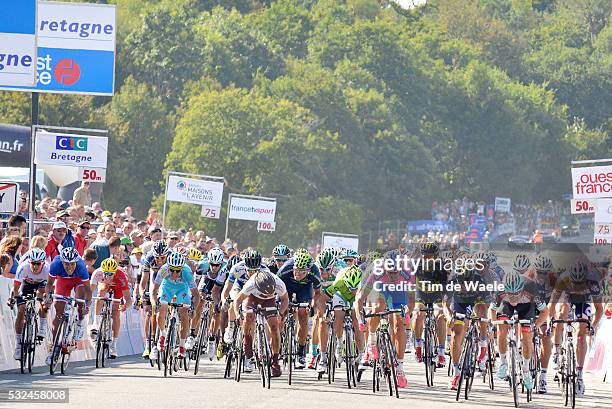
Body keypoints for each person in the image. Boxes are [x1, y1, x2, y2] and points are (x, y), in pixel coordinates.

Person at [233, 270, 288, 378]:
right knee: (248, 317)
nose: (267, 294)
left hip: (270, 301)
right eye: (265, 293)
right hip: (252, 298)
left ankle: (275, 361)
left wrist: (281, 313)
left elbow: (285, 299)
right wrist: (237, 315)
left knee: (274, 326)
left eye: (271, 292)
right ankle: (247, 343)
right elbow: (237, 301)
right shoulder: (251, 284)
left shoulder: (279, 283)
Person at [44, 247, 92, 365]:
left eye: (72, 264)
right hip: (63, 282)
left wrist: (87, 305)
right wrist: (48, 296)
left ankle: (80, 322)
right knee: (58, 312)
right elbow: (49, 284)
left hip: (78, 281)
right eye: (66, 264)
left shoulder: (81, 267)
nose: (69, 267)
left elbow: (88, 290)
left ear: (76, 262)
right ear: (62, 262)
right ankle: (55, 348)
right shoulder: (56, 264)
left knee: (80, 300)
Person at [277, 251, 321, 368]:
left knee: (303, 315)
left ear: (308, 270)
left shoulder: (315, 272)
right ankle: (279, 343)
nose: (297, 274)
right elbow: (275, 288)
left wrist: (312, 305)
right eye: (296, 270)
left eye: (302, 272)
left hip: (304, 289)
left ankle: (301, 353)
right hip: (286, 287)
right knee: (281, 313)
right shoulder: (286, 268)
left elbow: (317, 293)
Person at [150, 251, 199, 359]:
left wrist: (193, 308)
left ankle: (182, 345)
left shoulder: (187, 272)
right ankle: (162, 334)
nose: (174, 274)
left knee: (184, 313)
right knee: (161, 309)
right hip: (167, 287)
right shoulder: (163, 270)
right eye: (171, 270)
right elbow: (153, 291)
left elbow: (196, 295)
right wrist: (154, 303)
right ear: (168, 268)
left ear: (182, 268)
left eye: (177, 271)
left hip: (182, 288)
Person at [9, 248, 49, 360]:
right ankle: (18, 345)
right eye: (33, 263)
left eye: (38, 264)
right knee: (21, 310)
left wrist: (47, 300)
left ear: (43, 263)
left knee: (43, 298)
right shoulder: (23, 267)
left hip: (41, 285)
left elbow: (50, 288)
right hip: (26, 285)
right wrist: (13, 298)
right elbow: (16, 288)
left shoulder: (47, 269)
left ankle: (42, 327)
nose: (35, 266)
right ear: (29, 262)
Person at [90, 258, 133, 358]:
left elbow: (128, 299)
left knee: (115, 313)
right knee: (101, 291)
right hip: (104, 286)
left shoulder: (121, 276)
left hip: (118, 288)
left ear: (115, 272)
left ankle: (113, 345)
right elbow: (90, 291)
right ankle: (96, 323)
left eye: (111, 274)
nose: (108, 276)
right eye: (106, 273)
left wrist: (125, 305)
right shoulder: (98, 273)